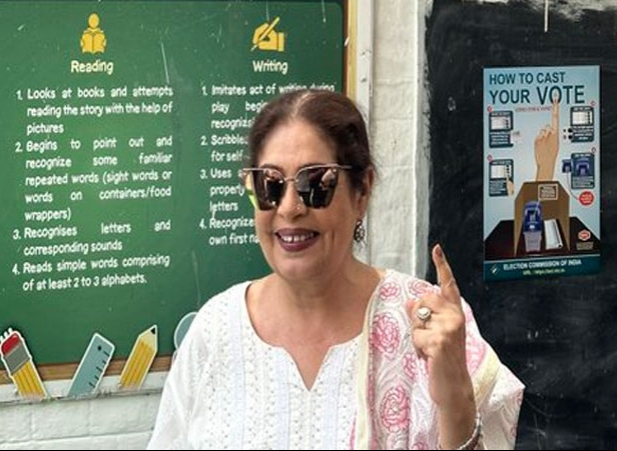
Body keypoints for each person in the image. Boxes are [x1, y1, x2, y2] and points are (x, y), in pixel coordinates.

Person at [147, 89, 524, 450]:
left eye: (316, 183)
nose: (290, 207)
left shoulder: (428, 326)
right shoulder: (216, 332)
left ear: (362, 192)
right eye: (269, 185)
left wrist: (456, 396)